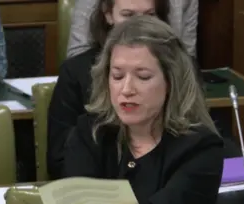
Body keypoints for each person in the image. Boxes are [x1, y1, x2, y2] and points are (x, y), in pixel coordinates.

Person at [64, 15, 224, 204]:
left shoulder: (201, 148)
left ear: (171, 82)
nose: (127, 89)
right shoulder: (90, 134)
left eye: (143, 76)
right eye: (117, 76)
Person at [48, 0, 173, 180]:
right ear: (108, 14)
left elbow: (221, 162)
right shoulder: (88, 129)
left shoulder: (194, 138)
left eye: (149, 16)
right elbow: (59, 161)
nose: (138, 26)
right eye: (128, 15)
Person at [67, 0, 198, 57]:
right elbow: (77, 56)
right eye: (128, 15)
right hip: (102, 75)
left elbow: (187, 55)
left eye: (150, 14)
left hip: (166, 71)